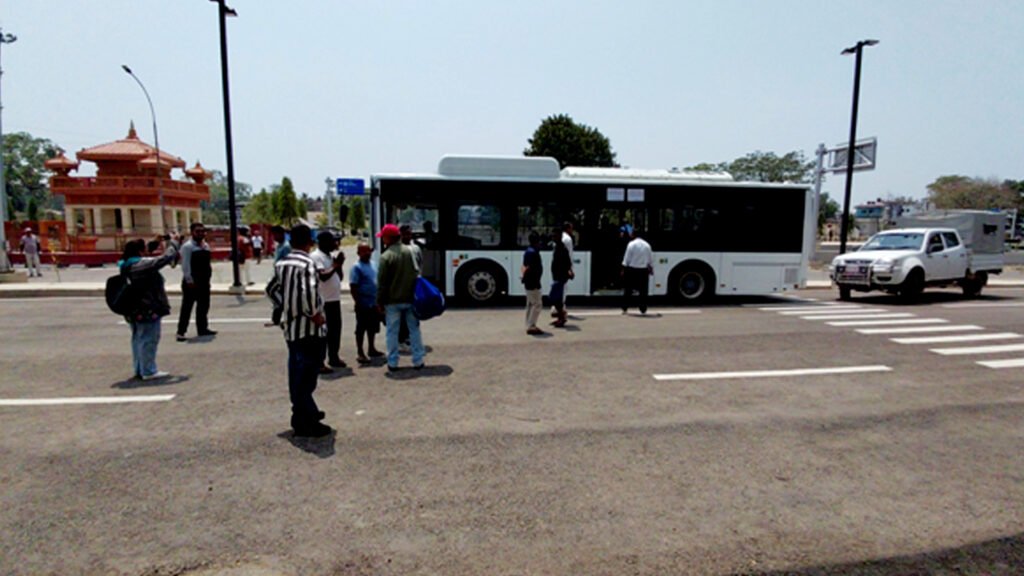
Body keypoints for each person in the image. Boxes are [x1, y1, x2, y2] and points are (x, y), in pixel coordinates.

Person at [265, 224, 331, 438]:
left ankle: (304, 412)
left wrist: (285, 305)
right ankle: (305, 420)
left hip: (292, 328)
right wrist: (314, 313)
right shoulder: (307, 263)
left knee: (297, 372)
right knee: (307, 376)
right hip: (309, 329)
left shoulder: (282, 263)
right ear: (309, 242)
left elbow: (271, 289)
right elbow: (308, 291)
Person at [119, 236, 179, 380]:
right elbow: (165, 258)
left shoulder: (126, 265)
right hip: (148, 306)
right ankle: (148, 370)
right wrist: (174, 242)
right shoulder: (142, 265)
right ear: (140, 251)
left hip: (133, 307)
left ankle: (140, 368)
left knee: (137, 339)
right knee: (149, 339)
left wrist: (157, 242)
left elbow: (149, 257)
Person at [376, 223, 425, 371]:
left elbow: (382, 282)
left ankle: (393, 362)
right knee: (414, 330)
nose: (382, 240)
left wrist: (379, 302)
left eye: (383, 237)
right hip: (411, 299)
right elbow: (418, 272)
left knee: (392, 332)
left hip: (392, 301)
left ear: (389, 238)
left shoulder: (386, 256)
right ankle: (418, 360)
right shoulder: (411, 251)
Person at [311, 231, 346, 371]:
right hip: (323, 301)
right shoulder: (316, 256)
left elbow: (339, 277)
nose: (335, 244)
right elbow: (323, 276)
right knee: (322, 333)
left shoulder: (330, 257)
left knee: (335, 330)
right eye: (333, 241)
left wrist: (339, 265)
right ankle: (320, 362)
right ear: (324, 242)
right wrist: (335, 265)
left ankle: (334, 356)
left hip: (334, 299)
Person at [177, 222, 216, 342]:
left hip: (204, 281)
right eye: (198, 231)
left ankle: (202, 328)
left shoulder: (205, 246)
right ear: (192, 232)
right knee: (187, 307)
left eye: (202, 231)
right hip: (192, 282)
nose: (201, 233)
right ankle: (181, 332)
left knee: (203, 306)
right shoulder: (187, 247)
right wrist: (189, 279)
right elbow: (185, 265)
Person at [349, 242, 383, 364]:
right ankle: (360, 352)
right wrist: (357, 302)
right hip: (363, 303)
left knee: (372, 327)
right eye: (364, 251)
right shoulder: (356, 267)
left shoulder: (374, 264)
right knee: (361, 328)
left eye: (368, 250)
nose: (367, 253)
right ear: (358, 253)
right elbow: (353, 286)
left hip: (374, 302)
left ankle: (371, 348)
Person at [398, 224, 422, 349]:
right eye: (405, 234)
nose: (408, 236)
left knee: (414, 312)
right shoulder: (397, 249)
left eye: (409, 233)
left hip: (414, 285)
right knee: (402, 314)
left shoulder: (416, 248)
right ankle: (401, 339)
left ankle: (411, 337)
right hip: (401, 287)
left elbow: (420, 263)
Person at [620, 227, 654, 315]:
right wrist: (651, 269)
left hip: (632, 270)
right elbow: (650, 259)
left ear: (633, 235)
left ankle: (625, 307)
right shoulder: (647, 245)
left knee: (628, 290)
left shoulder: (631, 244)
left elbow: (627, 258)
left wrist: (623, 269)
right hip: (643, 271)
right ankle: (643, 308)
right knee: (643, 291)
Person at [521, 231, 545, 335]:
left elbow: (525, 267)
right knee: (537, 304)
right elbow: (532, 269)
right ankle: (531, 326)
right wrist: (535, 282)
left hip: (528, 281)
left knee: (530, 304)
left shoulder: (528, 251)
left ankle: (529, 323)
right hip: (533, 282)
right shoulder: (533, 253)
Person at [550, 230, 573, 328]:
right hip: (557, 276)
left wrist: (569, 271)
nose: (553, 238)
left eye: (554, 236)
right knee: (557, 298)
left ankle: (562, 316)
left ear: (559, 237)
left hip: (560, 276)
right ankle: (561, 317)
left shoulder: (562, 248)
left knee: (554, 297)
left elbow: (568, 262)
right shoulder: (556, 247)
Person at [553, 221, 575, 317]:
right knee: (563, 289)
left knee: (558, 289)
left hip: (557, 270)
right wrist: (570, 269)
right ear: (568, 228)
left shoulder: (560, 240)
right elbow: (569, 256)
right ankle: (561, 310)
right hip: (563, 269)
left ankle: (557, 309)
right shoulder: (568, 239)